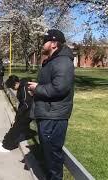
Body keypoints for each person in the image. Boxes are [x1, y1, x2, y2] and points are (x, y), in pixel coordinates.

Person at [28, 29, 75, 180]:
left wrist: (38, 89)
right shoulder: (52, 60)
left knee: (53, 154)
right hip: (48, 113)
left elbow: (59, 88)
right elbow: (50, 84)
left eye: (45, 41)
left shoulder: (62, 62)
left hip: (54, 115)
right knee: (48, 153)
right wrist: (36, 91)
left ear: (54, 43)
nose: (42, 44)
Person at [0, 75, 35, 152]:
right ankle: (5, 143)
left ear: (16, 83)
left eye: (13, 87)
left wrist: (19, 115)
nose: (13, 89)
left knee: (16, 128)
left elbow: (26, 104)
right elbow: (23, 104)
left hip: (29, 112)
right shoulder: (21, 87)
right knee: (16, 127)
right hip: (26, 111)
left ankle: (7, 146)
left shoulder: (24, 88)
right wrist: (17, 116)